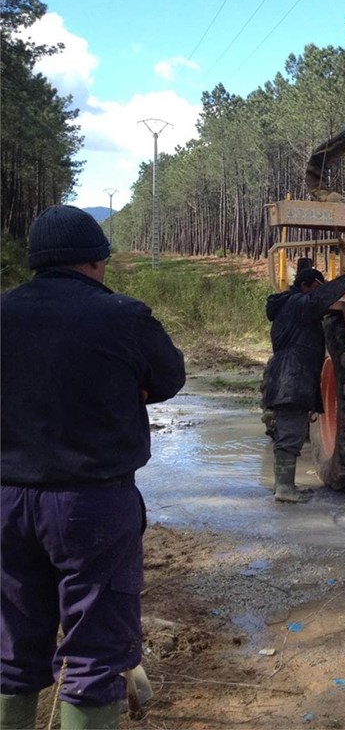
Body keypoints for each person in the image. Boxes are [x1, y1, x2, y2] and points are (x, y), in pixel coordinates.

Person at [0, 206, 186, 729]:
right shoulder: (122, 315)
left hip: (6, 500)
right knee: (95, 653)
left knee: (12, 644)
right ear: (96, 262)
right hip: (92, 505)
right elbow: (169, 379)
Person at [262, 263, 345, 502]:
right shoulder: (297, 303)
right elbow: (317, 301)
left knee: (292, 432)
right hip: (291, 378)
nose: (319, 293)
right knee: (290, 433)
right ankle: (284, 489)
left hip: (290, 377)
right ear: (305, 286)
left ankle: (285, 486)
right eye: (316, 287)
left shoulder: (290, 306)